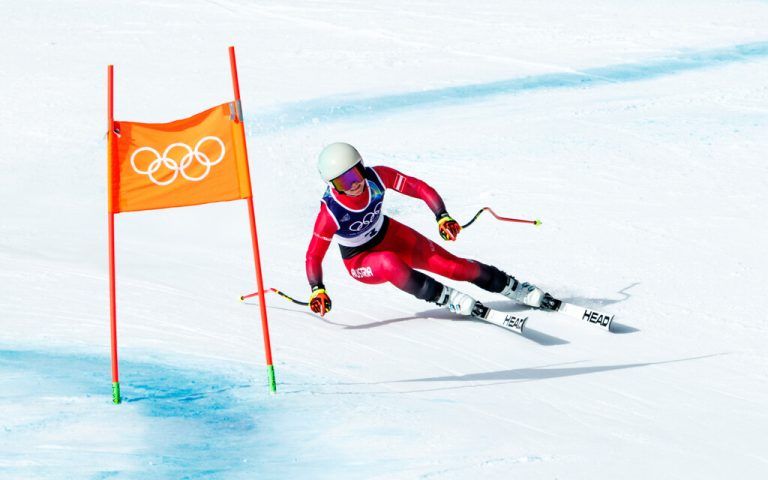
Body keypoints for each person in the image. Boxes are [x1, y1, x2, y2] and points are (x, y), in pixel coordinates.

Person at [305, 142, 558, 318]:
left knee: (456, 267)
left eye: (356, 173)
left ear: (363, 165)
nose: (354, 184)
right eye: (343, 181)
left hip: (389, 234)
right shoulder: (330, 214)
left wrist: (441, 215)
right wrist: (318, 289)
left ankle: (513, 287)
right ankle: (444, 297)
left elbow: (417, 187)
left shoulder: (377, 178)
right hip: (359, 259)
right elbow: (313, 256)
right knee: (389, 262)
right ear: (333, 186)